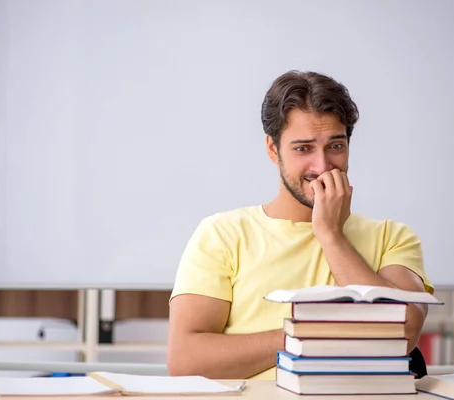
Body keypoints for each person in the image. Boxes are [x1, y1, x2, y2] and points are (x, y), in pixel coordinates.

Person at [166, 70, 434, 380]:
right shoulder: (222, 235)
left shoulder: (393, 237)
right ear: (273, 149)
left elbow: (402, 335)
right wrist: (309, 335)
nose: (321, 167)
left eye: (335, 146)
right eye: (303, 148)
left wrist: (331, 236)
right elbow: (186, 360)